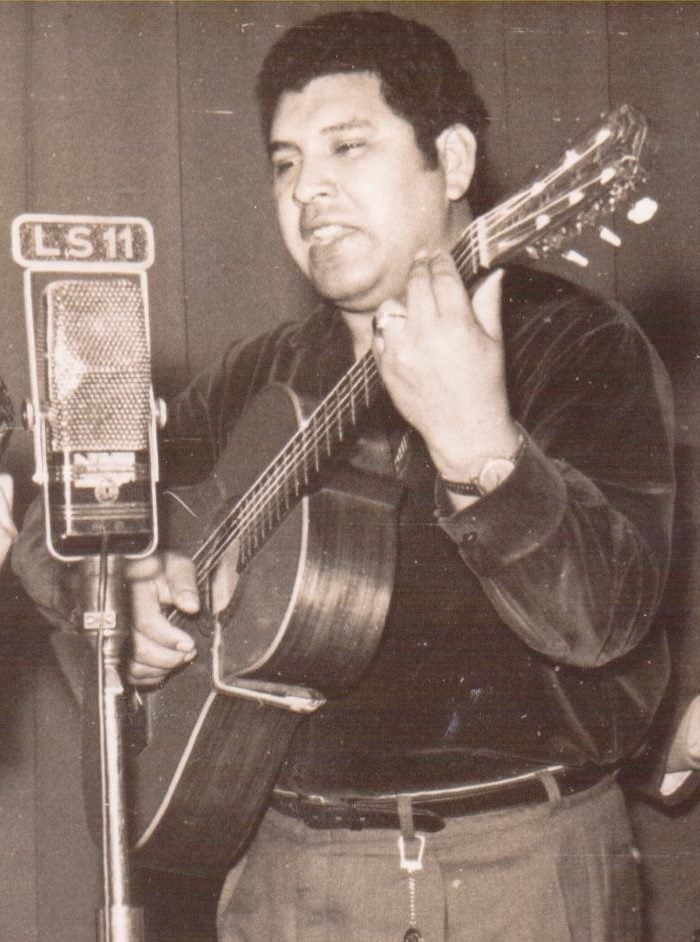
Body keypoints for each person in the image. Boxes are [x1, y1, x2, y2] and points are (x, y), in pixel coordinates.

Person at [12, 10, 676, 941]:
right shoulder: (263, 370)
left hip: (516, 869)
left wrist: (480, 446)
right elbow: (56, 523)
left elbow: (604, 622)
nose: (308, 189)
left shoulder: (577, 344)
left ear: (451, 160)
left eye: (348, 147)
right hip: (283, 875)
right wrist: (118, 591)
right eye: (285, 163)